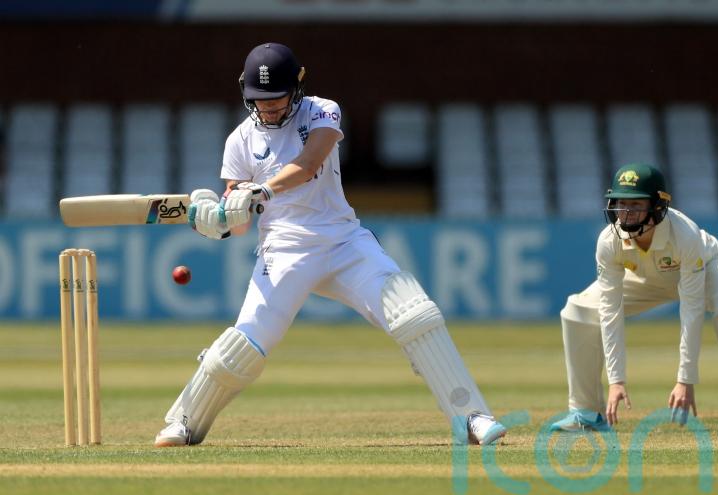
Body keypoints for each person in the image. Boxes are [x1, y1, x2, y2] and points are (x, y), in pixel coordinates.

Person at [153, 42, 506, 447]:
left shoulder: (322, 111)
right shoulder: (240, 140)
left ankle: (471, 416)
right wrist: (216, 221)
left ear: (297, 87)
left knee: (412, 311)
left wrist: (262, 191)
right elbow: (240, 223)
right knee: (243, 345)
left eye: (277, 98)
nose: (268, 107)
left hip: (342, 241)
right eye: (260, 99)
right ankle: (184, 421)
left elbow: (308, 163)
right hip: (283, 249)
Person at [550, 163, 718, 432]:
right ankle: (586, 412)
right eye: (621, 204)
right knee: (578, 310)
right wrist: (616, 381)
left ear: (657, 206)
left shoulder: (685, 235)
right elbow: (610, 310)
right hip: (645, 279)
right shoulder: (609, 240)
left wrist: (685, 380)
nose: (626, 213)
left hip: (705, 270)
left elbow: (692, 308)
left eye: (636, 205)